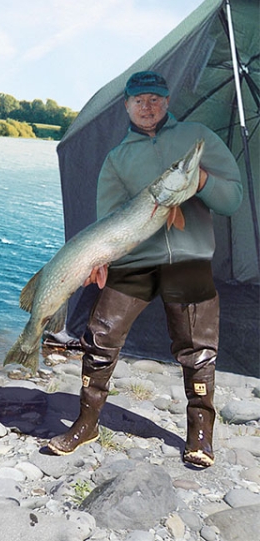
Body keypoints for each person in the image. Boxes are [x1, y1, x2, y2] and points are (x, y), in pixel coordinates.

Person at [48, 71, 243, 468]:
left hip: (188, 260)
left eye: (155, 99)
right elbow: (109, 224)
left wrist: (202, 178)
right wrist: (99, 260)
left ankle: (200, 437)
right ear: (127, 106)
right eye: (139, 100)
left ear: (167, 102)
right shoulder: (118, 158)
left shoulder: (197, 136)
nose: (148, 107)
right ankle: (86, 424)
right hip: (135, 262)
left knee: (198, 350)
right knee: (99, 338)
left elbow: (232, 199)